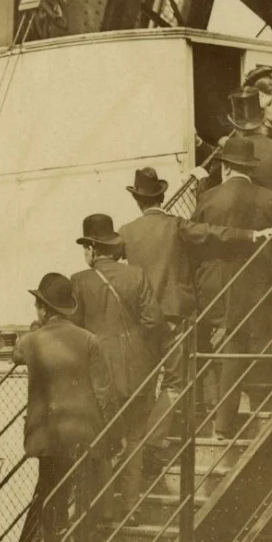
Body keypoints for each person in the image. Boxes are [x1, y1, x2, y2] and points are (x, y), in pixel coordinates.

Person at [119, 167, 272, 406]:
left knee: (148, 379)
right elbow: (214, 233)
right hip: (176, 313)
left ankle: (152, 430)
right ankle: (172, 428)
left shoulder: (125, 232)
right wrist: (252, 235)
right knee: (177, 380)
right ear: (161, 198)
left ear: (137, 200)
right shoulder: (176, 225)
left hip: (142, 316)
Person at [6, 273, 116, 542]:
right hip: (84, 434)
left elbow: (15, 355)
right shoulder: (88, 339)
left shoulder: (31, 341)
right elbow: (104, 391)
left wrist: (34, 330)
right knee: (84, 498)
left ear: (42, 308)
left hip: (48, 436)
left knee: (52, 501)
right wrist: (106, 431)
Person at [191, 136, 272, 438]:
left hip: (213, 285)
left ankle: (215, 418)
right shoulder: (269, 197)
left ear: (227, 167)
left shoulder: (208, 198)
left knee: (219, 343)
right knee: (241, 342)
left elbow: (196, 239)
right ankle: (231, 414)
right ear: (247, 168)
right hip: (254, 285)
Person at [68, 214, 163, 518]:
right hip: (139, 371)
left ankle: (105, 510)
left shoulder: (79, 281)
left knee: (103, 439)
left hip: (100, 374)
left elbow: (73, 328)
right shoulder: (137, 275)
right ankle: (131, 506)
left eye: (86, 247)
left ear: (93, 249)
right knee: (134, 436)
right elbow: (153, 321)